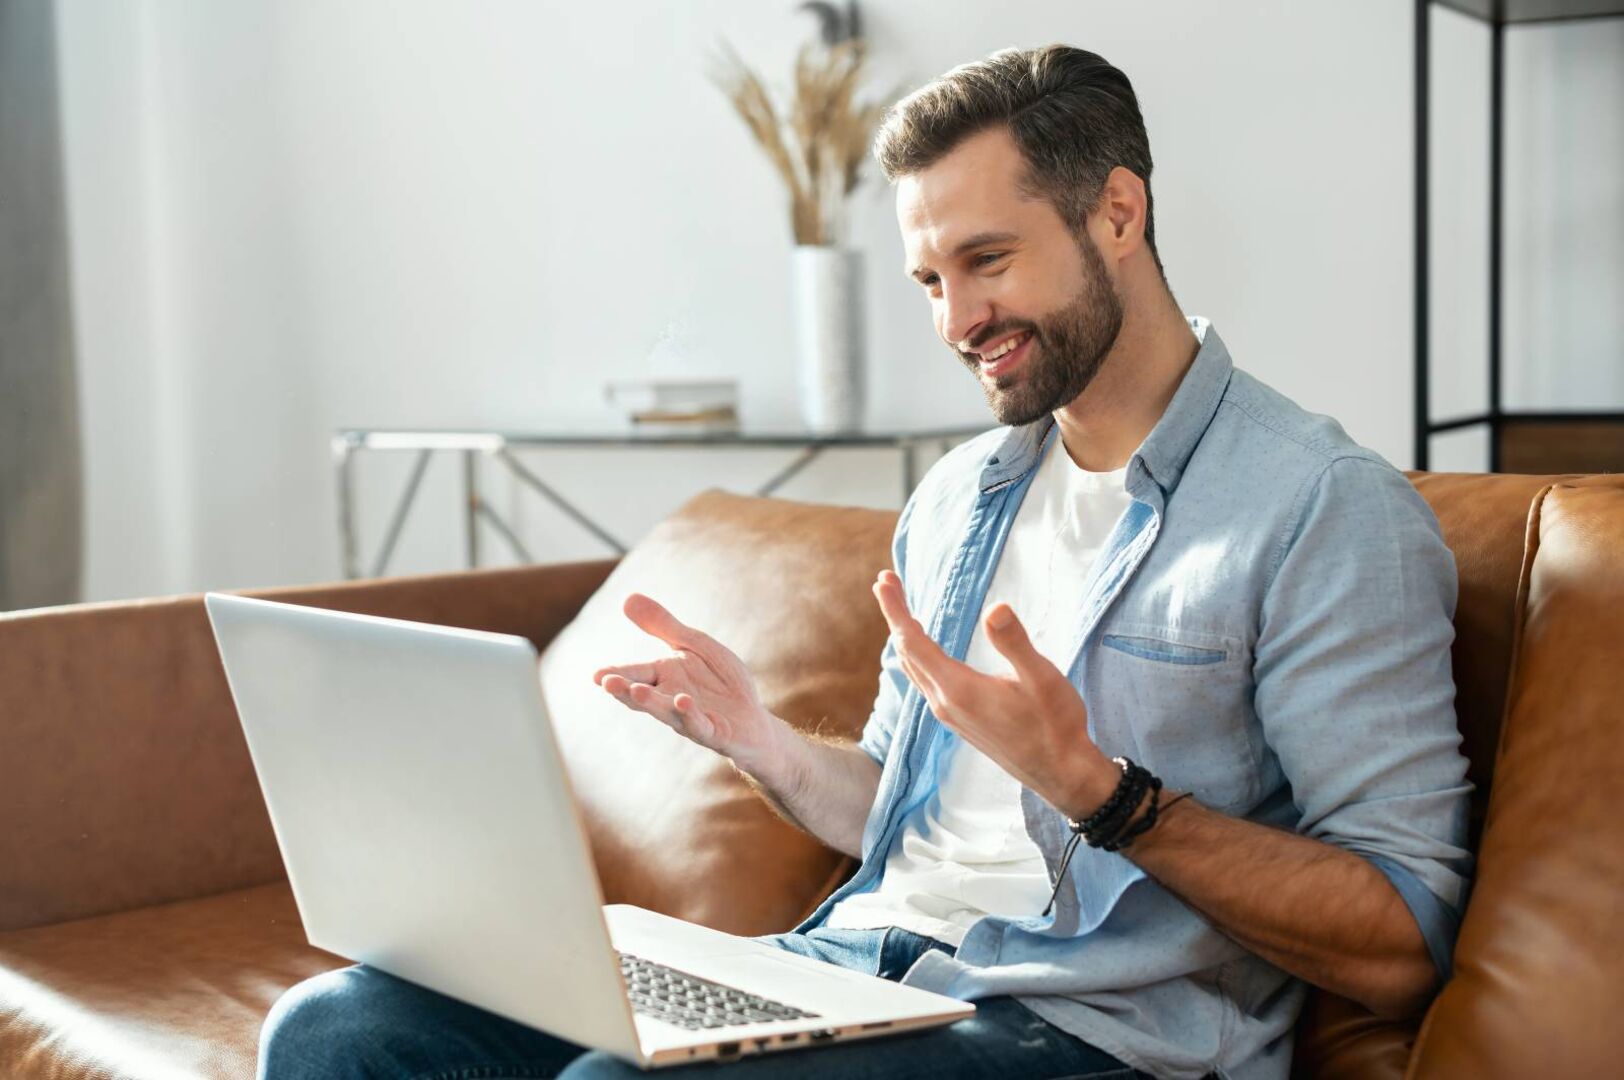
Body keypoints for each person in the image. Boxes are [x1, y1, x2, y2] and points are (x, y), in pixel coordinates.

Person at [259, 44, 1472, 1079]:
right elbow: (903, 801)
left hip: (1082, 1035)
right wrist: (771, 750)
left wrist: (1105, 795)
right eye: (930, 281)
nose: (956, 323)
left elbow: (1400, 940)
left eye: (987, 261)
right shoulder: (959, 497)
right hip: (858, 972)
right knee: (339, 1031)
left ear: (1118, 210)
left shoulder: (1321, 509)